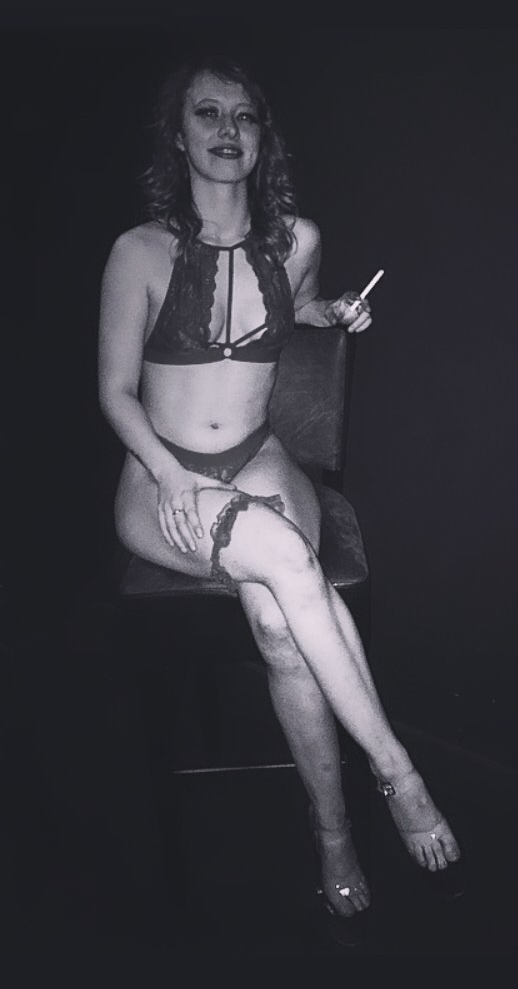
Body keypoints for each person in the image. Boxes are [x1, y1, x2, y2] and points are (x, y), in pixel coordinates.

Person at [98, 53, 460, 925]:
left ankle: (330, 831)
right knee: (293, 567)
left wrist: (328, 312)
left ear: (263, 138)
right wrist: (170, 472)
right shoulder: (138, 251)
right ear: (178, 136)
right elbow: (112, 392)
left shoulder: (297, 238)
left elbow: (286, 308)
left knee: (277, 622)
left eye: (245, 116)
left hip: (258, 456)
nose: (228, 130)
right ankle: (397, 772)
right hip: (160, 472)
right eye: (208, 113)